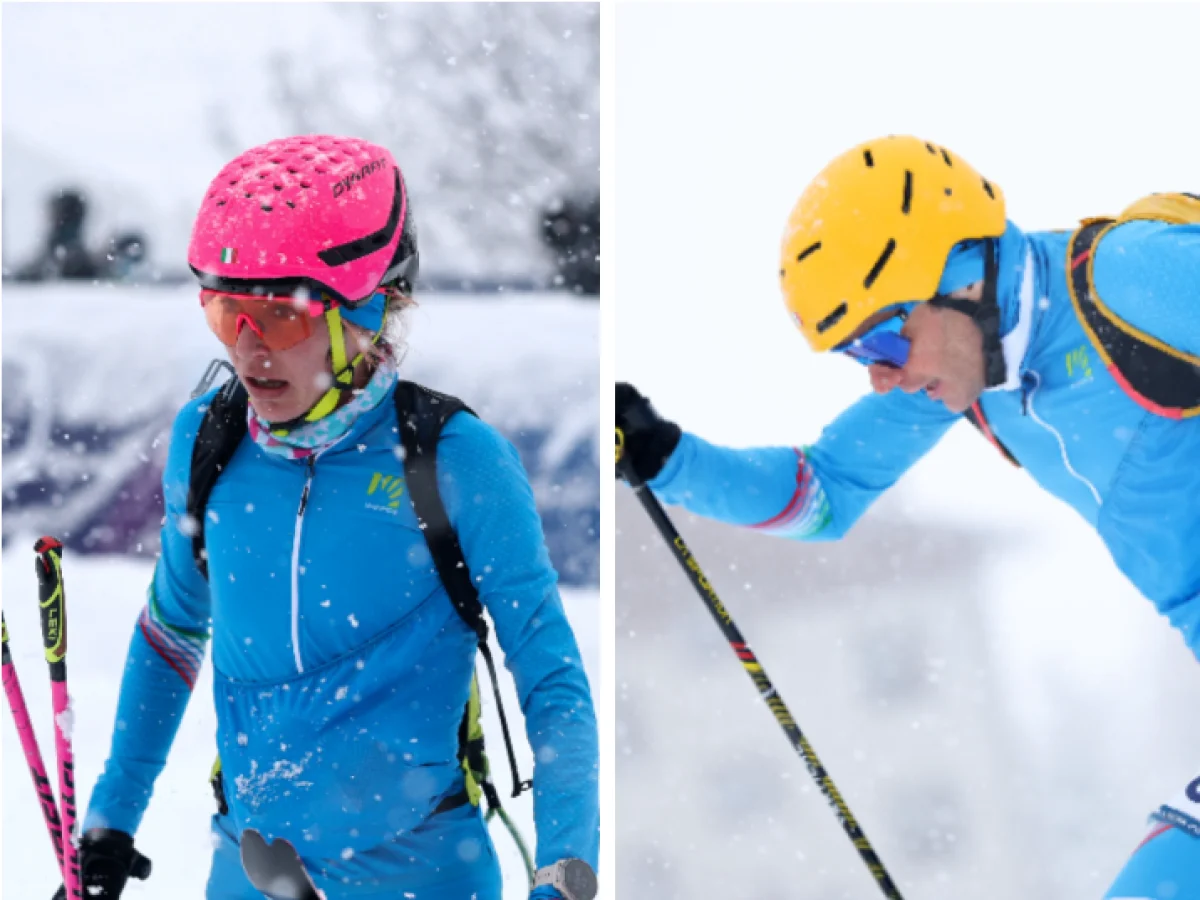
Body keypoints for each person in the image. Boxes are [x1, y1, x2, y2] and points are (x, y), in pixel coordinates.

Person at [617, 135, 1199, 898]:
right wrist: (666, 457)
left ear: (961, 279)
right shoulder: (969, 379)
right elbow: (820, 496)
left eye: (884, 337)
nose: (883, 374)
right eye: (858, 355)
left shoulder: (1129, 280)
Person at [68, 135, 599, 899]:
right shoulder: (207, 442)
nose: (249, 350)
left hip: (423, 876)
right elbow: (174, 628)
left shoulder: (454, 461)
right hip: (250, 872)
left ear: (369, 310)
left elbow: (552, 680)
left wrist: (564, 870)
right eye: (227, 313)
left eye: (279, 317)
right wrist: (110, 823)